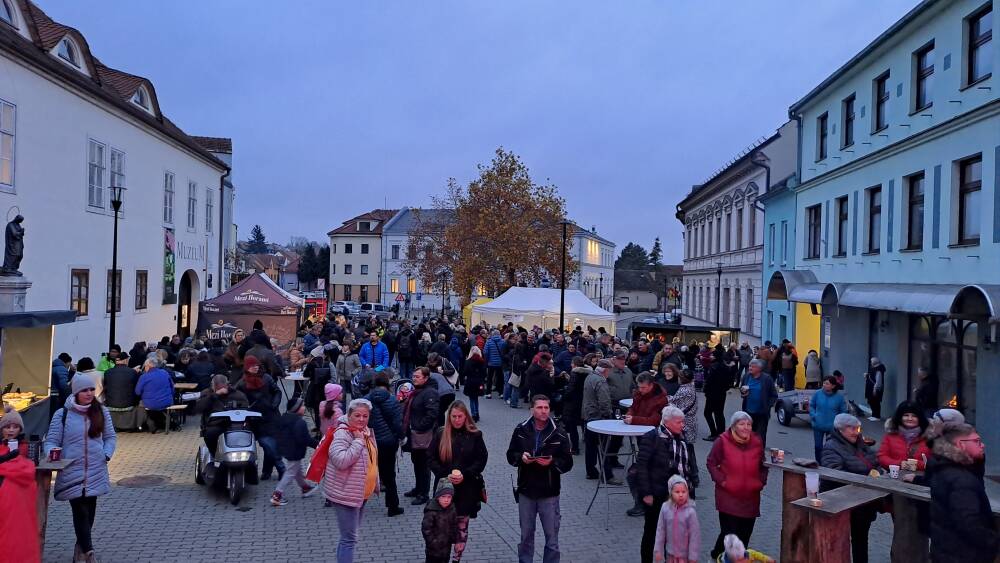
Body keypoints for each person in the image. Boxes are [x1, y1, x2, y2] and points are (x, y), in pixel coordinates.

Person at [45, 373, 116, 563]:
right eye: (85, 390)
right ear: (76, 392)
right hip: (71, 471)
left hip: (95, 470)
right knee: (80, 512)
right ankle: (89, 552)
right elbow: (51, 441)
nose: (89, 393)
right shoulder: (62, 414)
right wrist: (53, 452)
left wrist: (106, 454)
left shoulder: (102, 412)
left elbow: (110, 437)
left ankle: (80, 549)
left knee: (89, 513)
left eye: (92, 389)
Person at [506, 394, 573, 563]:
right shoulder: (521, 429)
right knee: (526, 536)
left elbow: (568, 462)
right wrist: (521, 458)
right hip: (526, 490)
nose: (543, 411)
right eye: (539, 407)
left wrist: (552, 462)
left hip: (549, 492)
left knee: (552, 539)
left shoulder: (559, 432)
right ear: (532, 409)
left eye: (546, 407)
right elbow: (510, 455)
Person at [926, 422, 998, 562]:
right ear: (961, 445)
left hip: (946, 551)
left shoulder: (943, 468)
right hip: (964, 555)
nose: (982, 445)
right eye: (976, 441)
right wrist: (993, 542)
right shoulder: (961, 480)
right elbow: (969, 523)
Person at [636, 405, 699, 563]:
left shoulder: (682, 437)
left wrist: (692, 487)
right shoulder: (652, 437)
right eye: (679, 422)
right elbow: (641, 467)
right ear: (667, 422)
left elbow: (689, 463)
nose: (682, 425)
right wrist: (646, 493)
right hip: (658, 495)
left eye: (683, 421)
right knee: (652, 533)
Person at [428, 401, 488, 563]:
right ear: (449, 417)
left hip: (466, 489)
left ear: (466, 416)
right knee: (442, 529)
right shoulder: (441, 433)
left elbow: (481, 459)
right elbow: (430, 457)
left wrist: (466, 474)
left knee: (462, 529)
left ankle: (456, 559)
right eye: (453, 416)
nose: (456, 420)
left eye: (460, 416)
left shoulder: (475, 435)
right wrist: (444, 474)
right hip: (444, 490)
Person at [705, 411, 766, 559]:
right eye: (742, 424)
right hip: (728, 496)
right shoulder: (722, 441)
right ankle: (725, 557)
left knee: (744, 534)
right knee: (730, 534)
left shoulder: (757, 441)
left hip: (751, 497)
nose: (746, 427)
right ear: (733, 426)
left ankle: (720, 554)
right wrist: (722, 481)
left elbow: (763, 464)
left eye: (749, 424)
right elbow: (711, 463)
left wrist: (761, 481)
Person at [324, 399, 378, 563]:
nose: (361, 419)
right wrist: (358, 441)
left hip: (361, 493)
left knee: (350, 537)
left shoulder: (365, 431)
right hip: (346, 494)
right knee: (349, 539)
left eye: (365, 416)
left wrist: (375, 482)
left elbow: (372, 459)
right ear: (349, 415)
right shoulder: (343, 433)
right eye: (357, 415)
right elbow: (341, 461)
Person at [820, 413, 880, 563]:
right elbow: (834, 474)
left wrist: (879, 471)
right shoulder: (831, 447)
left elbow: (875, 460)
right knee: (838, 542)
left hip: (863, 503)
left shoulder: (861, 444)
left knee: (861, 540)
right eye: (852, 429)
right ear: (840, 430)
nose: (856, 432)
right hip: (841, 503)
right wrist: (866, 475)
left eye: (858, 428)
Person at [0, 405, 40, 563]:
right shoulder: (27, 466)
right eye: (7, 426)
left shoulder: (27, 450)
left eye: (15, 427)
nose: (11, 430)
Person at [236, 355, 284, 480]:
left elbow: (277, 391)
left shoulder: (266, 378)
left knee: (271, 445)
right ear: (247, 367)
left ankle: (267, 472)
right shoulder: (242, 383)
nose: (255, 367)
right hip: (254, 419)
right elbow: (236, 398)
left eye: (256, 365)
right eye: (252, 366)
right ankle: (279, 468)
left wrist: (274, 404)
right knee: (266, 444)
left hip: (271, 416)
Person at [364, 372, 405, 517]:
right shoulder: (392, 400)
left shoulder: (366, 400)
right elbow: (397, 423)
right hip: (389, 442)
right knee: (389, 474)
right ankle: (393, 506)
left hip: (371, 441)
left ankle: (358, 503)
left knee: (368, 471)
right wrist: (402, 437)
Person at [271, 397, 319, 506]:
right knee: (290, 472)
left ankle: (305, 488)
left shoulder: (284, 418)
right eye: (302, 406)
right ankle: (277, 495)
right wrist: (318, 445)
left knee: (297, 470)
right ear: (296, 408)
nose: (304, 407)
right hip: (295, 451)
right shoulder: (299, 422)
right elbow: (305, 439)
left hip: (288, 449)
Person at [403, 367, 440, 505]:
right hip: (415, 434)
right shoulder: (417, 391)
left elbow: (432, 414)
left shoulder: (430, 392)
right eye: (413, 376)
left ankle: (423, 493)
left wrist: (419, 427)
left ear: (426, 378)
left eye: (417, 376)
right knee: (416, 462)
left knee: (424, 464)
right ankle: (418, 488)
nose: (414, 378)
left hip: (424, 435)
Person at [195, 375, 249, 456]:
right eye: (218, 388)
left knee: (247, 433)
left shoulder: (237, 394)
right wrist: (215, 395)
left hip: (235, 423)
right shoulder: (207, 394)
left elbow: (245, 408)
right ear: (213, 386)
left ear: (227, 385)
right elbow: (198, 408)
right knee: (211, 434)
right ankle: (214, 455)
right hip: (215, 424)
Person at [652, 475, 700, 563]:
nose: (681, 495)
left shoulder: (690, 512)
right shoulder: (665, 508)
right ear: (671, 493)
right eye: (677, 492)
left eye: (683, 491)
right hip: (670, 554)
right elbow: (660, 530)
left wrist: (693, 556)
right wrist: (658, 550)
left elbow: (694, 535)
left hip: (685, 556)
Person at [582, 359, 616, 482]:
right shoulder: (601, 381)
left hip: (588, 415)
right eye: (609, 371)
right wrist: (607, 415)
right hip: (598, 417)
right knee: (604, 447)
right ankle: (607, 475)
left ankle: (591, 472)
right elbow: (604, 401)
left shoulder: (589, 377)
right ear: (605, 370)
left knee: (590, 447)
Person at [878, 400, 932, 472]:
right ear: (900, 417)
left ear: (920, 418)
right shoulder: (890, 435)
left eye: (914, 416)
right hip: (895, 475)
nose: (910, 419)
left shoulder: (930, 437)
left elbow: (937, 462)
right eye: (906, 415)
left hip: (921, 477)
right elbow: (882, 457)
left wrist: (918, 464)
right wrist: (899, 464)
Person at [739, 360, 777, 448]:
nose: (750, 368)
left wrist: (768, 406)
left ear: (759, 368)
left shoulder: (767, 379)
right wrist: (743, 392)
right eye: (749, 366)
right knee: (747, 434)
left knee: (760, 436)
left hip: (761, 413)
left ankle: (759, 454)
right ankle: (747, 453)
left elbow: (774, 395)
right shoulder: (746, 376)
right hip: (748, 412)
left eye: (753, 366)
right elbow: (742, 389)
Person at [808, 376, 847, 461]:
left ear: (833, 386)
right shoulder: (817, 393)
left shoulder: (839, 397)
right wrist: (813, 415)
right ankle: (818, 463)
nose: (824, 385)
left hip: (832, 428)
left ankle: (827, 463)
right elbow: (811, 405)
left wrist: (839, 423)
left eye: (827, 383)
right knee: (818, 447)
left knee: (829, 448)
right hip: (818, 425)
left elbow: (843, 412)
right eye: (824, 383)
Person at [135, 356, 175, 433]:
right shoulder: (165, 372)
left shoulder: (144, 376)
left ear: (148, 366)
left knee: (140, 405)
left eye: (145, 366)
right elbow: (172, 388)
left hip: (150, 404)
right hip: (167, 402)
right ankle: (169, 423)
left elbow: (137, 392)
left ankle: (143, 426)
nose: (144, 368)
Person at [422, 478, 458, 563]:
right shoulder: (431, 510)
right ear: (438, 497)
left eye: (449, 497)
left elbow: (454, 524)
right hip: (433, 551)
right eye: (443, 497)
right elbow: (426, 529)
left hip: (446, 548)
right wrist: (433, 542)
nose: (446, 500)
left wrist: (453, 537)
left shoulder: (452, 508)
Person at [562, 356, 590, 455]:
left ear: (574, 364)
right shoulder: (587, 373)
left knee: (572, 426)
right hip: (583, 401)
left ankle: (575, 448)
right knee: (583, 423)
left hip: (573, 403)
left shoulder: (574, 373)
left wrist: (564, 396)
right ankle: (585, 440)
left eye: (572, 363)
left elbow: (571, 388)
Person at [702, 353, 729, 441]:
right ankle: (721, 434)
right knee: (719, 413)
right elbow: (729, 381)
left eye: (712, 355)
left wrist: (706, 390)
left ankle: (714, 433)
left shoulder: (713, 366)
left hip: (712, 394)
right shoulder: (725, 366)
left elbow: (709, 380)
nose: (710, 356)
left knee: (707, 413)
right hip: (721, 393)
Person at [668, 369, 698, 444]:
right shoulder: (691, 387)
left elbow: (672, 402)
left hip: (684, 421)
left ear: (681, 379)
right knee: (689, 444)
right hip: (691, 420)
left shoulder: (683, 390)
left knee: (684, 444)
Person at [462, 346, 486, 422]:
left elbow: (464, 372)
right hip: (479, 381)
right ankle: (477, 413)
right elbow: (484, 373)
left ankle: (474, 414)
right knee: (476, 398)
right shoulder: (482, 361)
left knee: (472, 398)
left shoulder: (468, 361)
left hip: (470, 381)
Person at [483, 329, 505, 399]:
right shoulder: (503, 341)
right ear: (499, 334)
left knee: (489, 378)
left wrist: (487, 360)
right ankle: (501, 393)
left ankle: (488, 393)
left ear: (493, 334)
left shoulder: (489, 342)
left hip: (491, 363)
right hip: (500, 363)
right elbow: (505, 352)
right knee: (500, 378)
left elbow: (485, 352)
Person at [51, 352, 73, 419]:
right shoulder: (62, 369)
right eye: (69, 364)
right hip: (57, 397)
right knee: (57, 417)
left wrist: (71, 372)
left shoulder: (52, 367)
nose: (69, 366)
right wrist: (70, 397)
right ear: (67, 362)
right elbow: (64, 385)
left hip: (50, 396)